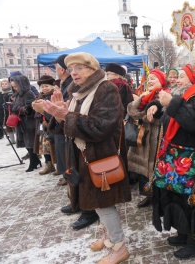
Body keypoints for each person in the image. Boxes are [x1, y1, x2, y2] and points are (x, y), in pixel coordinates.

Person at [43, 52, 132, 264]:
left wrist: (66, 116)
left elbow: (100, 127)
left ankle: (119, 247)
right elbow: (70, 125)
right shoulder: (78, 93)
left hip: (100, 156)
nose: (73, 72)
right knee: (95, 202)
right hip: (83, 156)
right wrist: (59, 115)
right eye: (71, 68)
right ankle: (108, 237)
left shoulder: (105, 88)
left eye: (79, 68)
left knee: (103, 204)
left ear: (92, 69)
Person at [146, 64, 195, 259]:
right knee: (175, 195)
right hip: (174, 155)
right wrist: (155, 106)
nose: (177, 79)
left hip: (192, 158)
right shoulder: (185, 94)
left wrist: (171, 102)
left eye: (182, 76)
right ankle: (182, 231)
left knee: (192, 199)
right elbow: (168, 115)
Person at [126, 69, 167, 208]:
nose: (149, 81)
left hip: (158, 137)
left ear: (161, 81)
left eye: (153, 78)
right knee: (143, 170)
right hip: (143, 137)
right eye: (149, 79)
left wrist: (146, 114)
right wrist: (140, 99)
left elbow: (158, 118)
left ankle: (159, 198)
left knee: (156, 168)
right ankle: (148, 195)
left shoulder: (165, 95)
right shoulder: (145, 96)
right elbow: (131, 112)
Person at [10, 75, 41, 172]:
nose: (15, 88)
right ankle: (35, 161)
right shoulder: (18, 95)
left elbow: (30, 109)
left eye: (16, 86)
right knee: (27, 143)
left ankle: (33, 162)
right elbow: (18, 106)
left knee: (30, 143)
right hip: (22, 122)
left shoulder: (28, 93)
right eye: (13, 87)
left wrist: (20, 109)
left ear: (21, 85)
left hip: (29, 122)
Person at [52, 54, 72, 182]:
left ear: (62, 69)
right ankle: (68, 175)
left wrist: (51, 109)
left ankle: (69, 175)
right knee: (64, 152)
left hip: (68, 125)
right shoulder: (64, 84)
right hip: (63, 125)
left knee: (68, 153)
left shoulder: (71, 85)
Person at [32, 75, 56, 175]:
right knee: (45, 147)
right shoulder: (40, 97)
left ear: (52, 86)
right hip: (43, 126)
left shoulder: (54, 96)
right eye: (42, 86)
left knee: (53, 147)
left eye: (47, 86)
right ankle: (48, 164)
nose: (44, 88)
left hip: (52, 125)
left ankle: (57, 166)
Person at [0, 79, 15, 144]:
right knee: (6, 125)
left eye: (5, 84)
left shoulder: (11, 92)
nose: (4, 85)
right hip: (0, 111)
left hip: (9, 111)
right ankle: (12, 140)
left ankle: (19, 139)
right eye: (2, 84)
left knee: (13, 125)